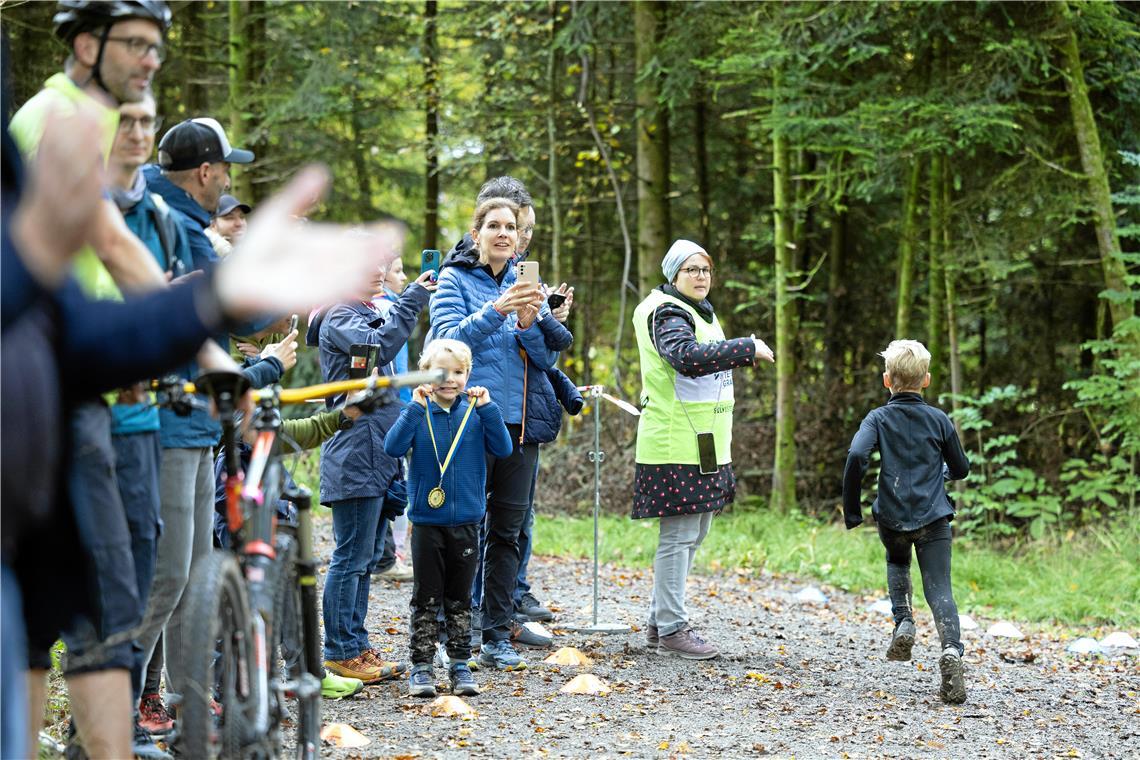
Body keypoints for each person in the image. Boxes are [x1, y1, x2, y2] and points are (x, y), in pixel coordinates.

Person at [428, 195, 563, 671]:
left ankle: (495, 635)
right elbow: (443, 345)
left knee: (507, 533)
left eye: (510, 227)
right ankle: (447, 632)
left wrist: (532, 323)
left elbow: (546, 362)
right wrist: (498, 309)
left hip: (520, 426)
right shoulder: (453, 279)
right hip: (467, 421)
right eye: (494, 226)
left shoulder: (528, 283)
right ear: (476, 235)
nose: (503, 234)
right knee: (459, 529)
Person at [631, 239, 774, 660]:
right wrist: (746, 348)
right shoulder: (666, 311)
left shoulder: (698, 311)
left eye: (705, 270)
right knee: (679, 535)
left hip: (704, 441)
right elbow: (686, 357)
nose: (700, 277)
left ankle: (661, 622)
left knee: (698, 531)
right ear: (673, 274)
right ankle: (674, 628)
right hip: (675, 441)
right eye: (691, 270)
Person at [307, 240, 436, 683]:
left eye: (380, 265)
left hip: (376, 453)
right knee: (351, 557)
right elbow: (380, 345)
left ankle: (355, 646)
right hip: (354, 454)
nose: (378, 272)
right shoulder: (340, 315)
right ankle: (340, 650)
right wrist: (414, 298)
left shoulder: (360, 311)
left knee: (364, 558)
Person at [842, 339, 970, 704]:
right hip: (934, 517)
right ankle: (951, 652)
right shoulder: (939, 419)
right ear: (926, 380)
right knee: (940, 587)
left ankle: (903, 620)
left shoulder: (878, 419)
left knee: (897, 561)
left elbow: (856, 454)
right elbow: (961, 469)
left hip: (893, 516)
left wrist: (852, 511)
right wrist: (942, 470)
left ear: (887, 380)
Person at [384, 339, 513, 698]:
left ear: (468, 375)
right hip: (427, 522)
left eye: (458, 373)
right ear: (425, 375)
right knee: (426, 596)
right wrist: (412, 408)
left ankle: (459, 662)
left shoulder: (474, 412)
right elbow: (392, 448)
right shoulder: (418, 412)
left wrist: (488, 408)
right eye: (441, 373)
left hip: (467, 520)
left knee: (459, 597)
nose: (450, 380)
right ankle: (422, 665)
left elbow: (503, 448)